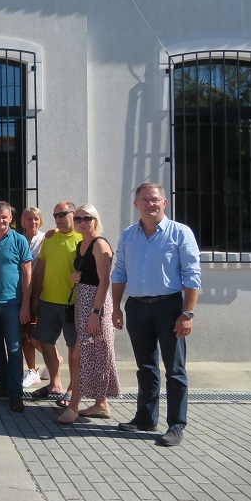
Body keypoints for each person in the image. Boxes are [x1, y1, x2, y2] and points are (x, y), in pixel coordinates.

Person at [112, 183, 201, 447]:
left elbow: (192, 275)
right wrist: (116, 306)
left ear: (164, 203)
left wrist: (187, 313)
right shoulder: (128, 235)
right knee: (146, 367)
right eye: (144, 200)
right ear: (136, 205)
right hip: (137, 307)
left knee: (174, 369)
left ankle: (176, 425)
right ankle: (145, 417)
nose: (150, 204)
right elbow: (119, 272)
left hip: (169, 307)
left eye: (154, 200)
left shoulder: (180, 233)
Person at [57, 204, 121, 424]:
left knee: (80, 355)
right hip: (82, 302)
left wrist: (96, 312)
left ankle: (73, 406)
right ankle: (101, 404)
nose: (82, 222)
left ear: (95, 220)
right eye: (79, 219)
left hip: (95, 305)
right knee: (94, 354)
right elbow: (88, 273)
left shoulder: (99, 244)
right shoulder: (81, 244)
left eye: (87, 218)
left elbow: (105, 281)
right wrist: (78, 277)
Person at [0, 201, 32, 413]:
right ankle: (1, 385)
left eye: (4, 217)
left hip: (12, 303)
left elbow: (28, 274)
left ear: (11, 218)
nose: (0, 221)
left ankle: (16, 392)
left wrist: (26, 304)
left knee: (14, 348)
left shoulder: (19, 240)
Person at [29, 201, 81, 407]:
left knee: (72, 348)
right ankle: (55, 384)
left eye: (63, 214)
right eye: (56, 215)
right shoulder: (48, 239)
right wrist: (34, 297)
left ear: (74, 214)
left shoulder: (83, 239)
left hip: (73, 304)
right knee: (45, 342)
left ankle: (72, 389)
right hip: (48, 301)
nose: (59, 218)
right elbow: (40, 270)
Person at [20, 206, 52, 388]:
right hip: (21, 292)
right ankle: (32, 370)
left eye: (36, 219)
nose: (32, 222)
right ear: (23, 221)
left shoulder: (46, 239)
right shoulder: (19, 239)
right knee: (24, 335)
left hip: (40, 293)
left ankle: (55, 360)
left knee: (35, 335)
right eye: (29, 219)